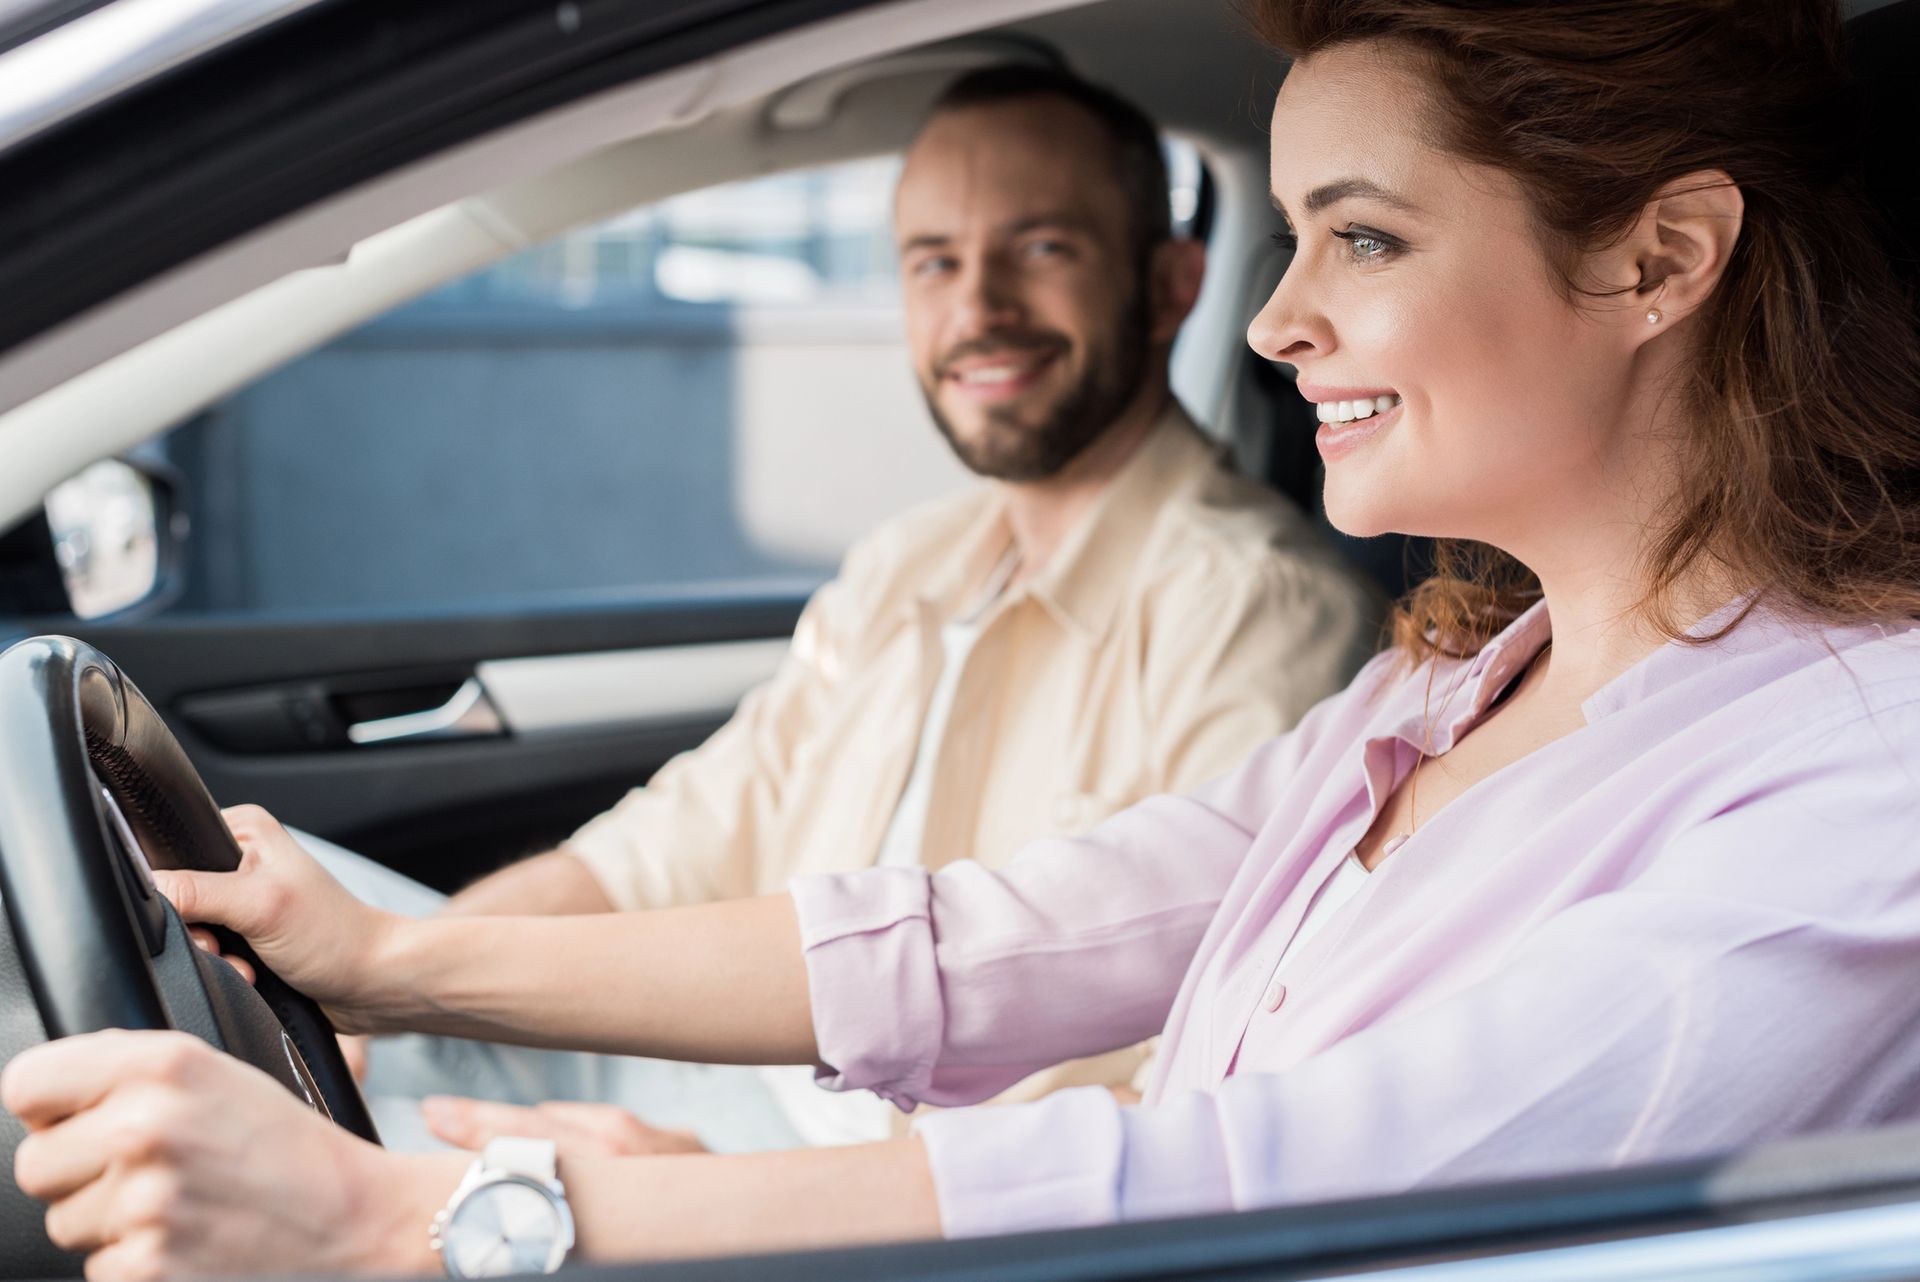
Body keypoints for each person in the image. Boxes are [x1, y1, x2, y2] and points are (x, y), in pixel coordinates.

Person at [11, 0, 1920, 1275]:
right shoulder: (1447, 683)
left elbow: (1247, 1180)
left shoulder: (1859, 793)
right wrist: (399, 962)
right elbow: (984, 941)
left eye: (1363, 239)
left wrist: (439, 1219)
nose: (1272, 325)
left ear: (1660, 260)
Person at [303, 63, 1381, 1156]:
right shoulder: (907, 564)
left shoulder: (1255, 613)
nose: (978, 309)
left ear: (1168, 286)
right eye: (934, 261)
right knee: (280, 910)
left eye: (1042, 248)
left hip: (875, 1194)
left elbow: (1190, 1101)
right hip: (727, 1081)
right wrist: (387, 969)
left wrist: (703, 1196)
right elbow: (666, 846)